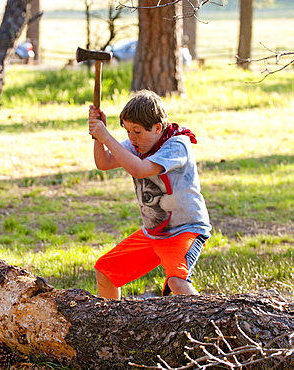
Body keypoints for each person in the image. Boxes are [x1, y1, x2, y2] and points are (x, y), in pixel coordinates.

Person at [88, 89, 212, 299]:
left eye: (136, 132)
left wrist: (106, 136)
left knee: (176, 281)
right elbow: (104, 163)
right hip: (153, 233)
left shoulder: (176, 145)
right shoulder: (139, 144)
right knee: (106, 272)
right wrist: (99, 137)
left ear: (157, 128)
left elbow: (140, 169)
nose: (131, 138)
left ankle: (209, 321)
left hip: (185, 230)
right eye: (127, 131)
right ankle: (111, 326)